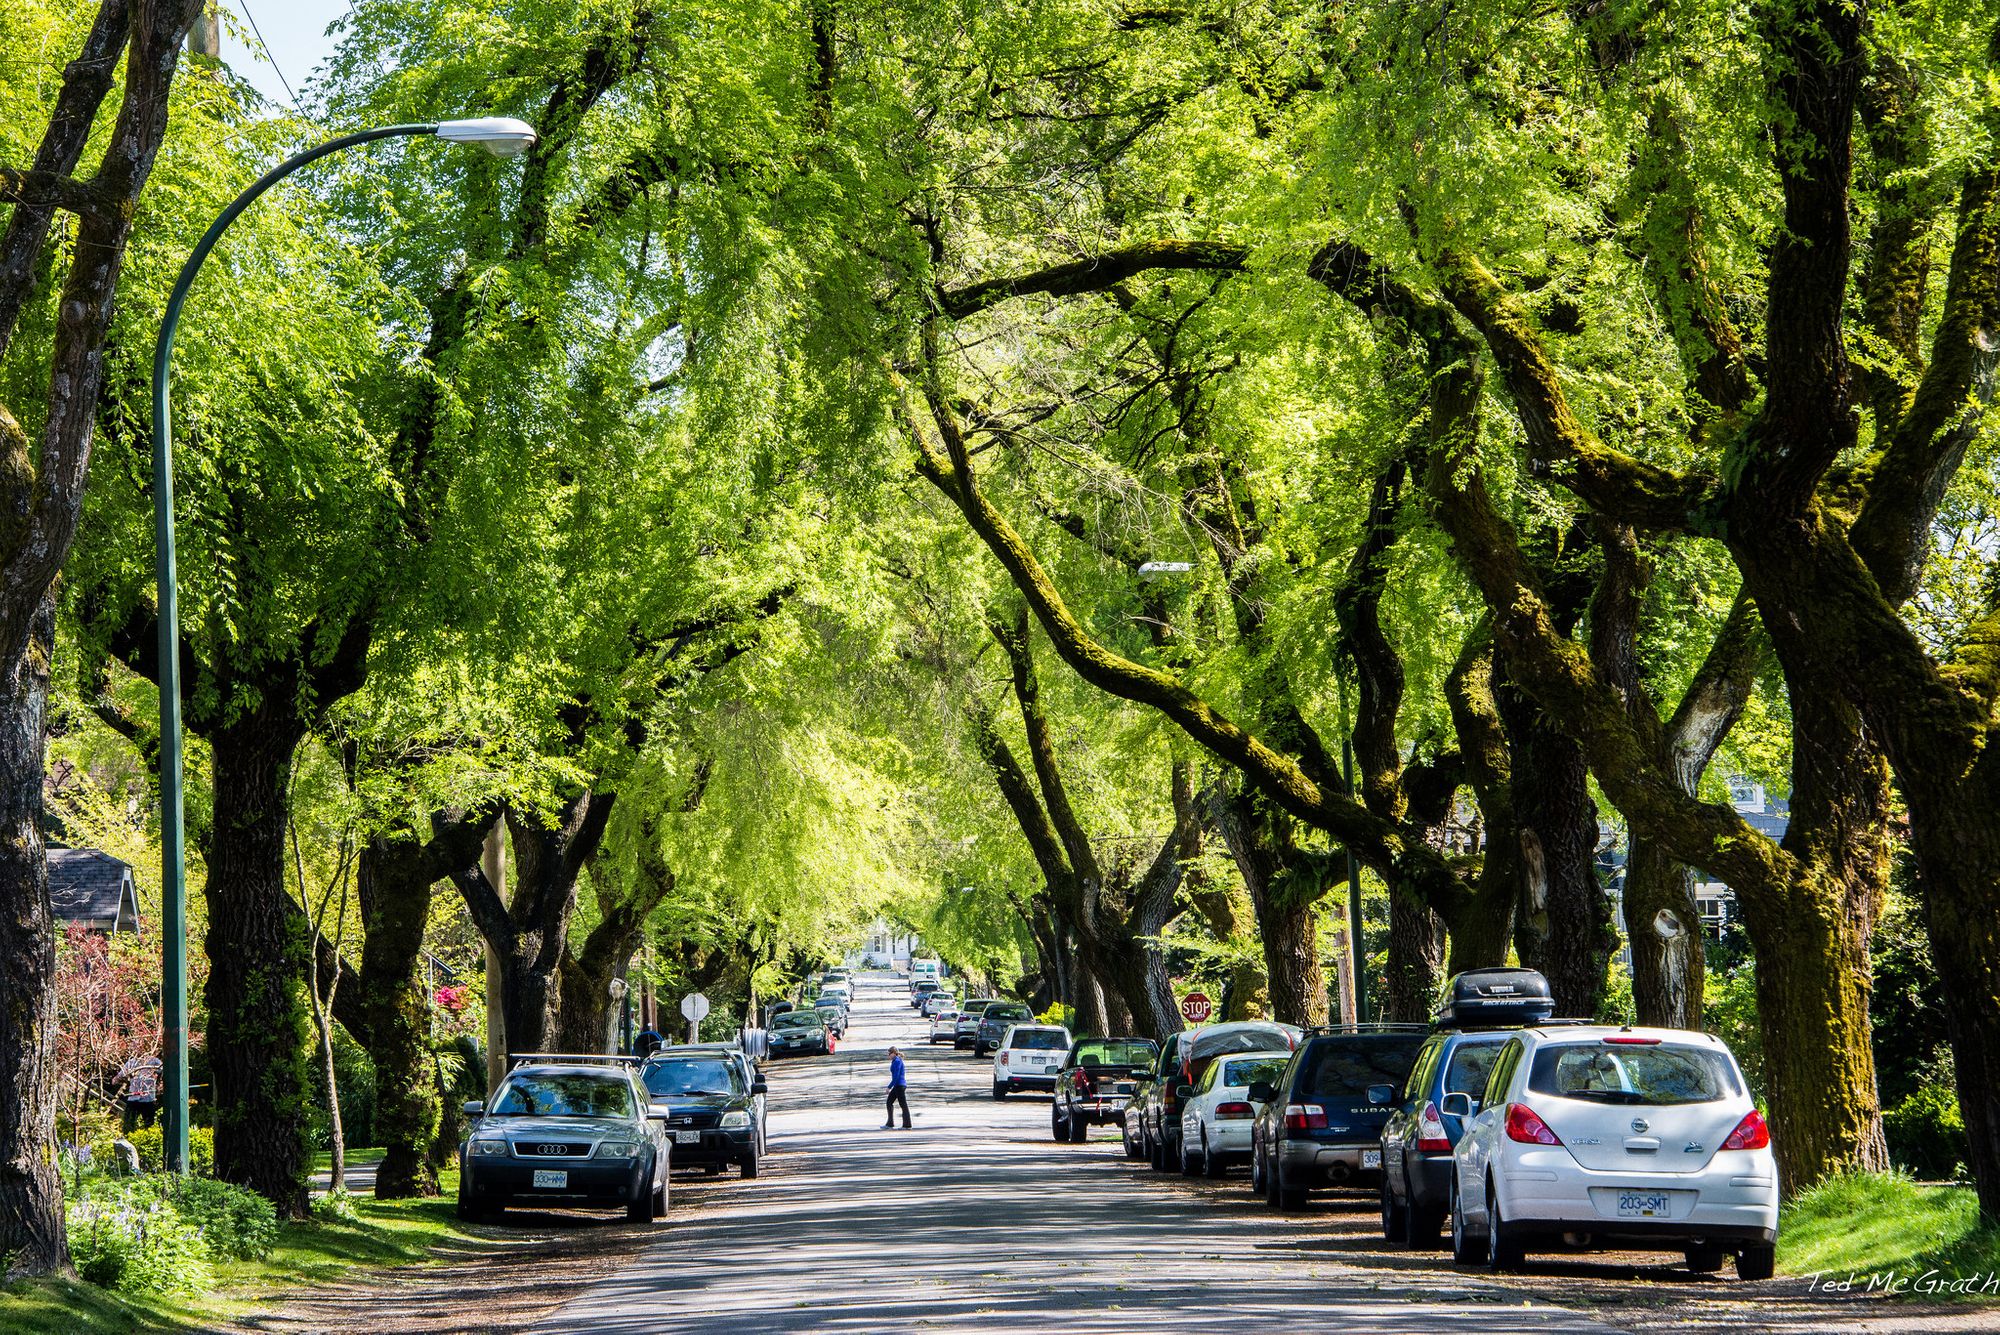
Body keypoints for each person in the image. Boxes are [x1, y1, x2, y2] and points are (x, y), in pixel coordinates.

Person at [116, 1052, 163, 1132]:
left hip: (148, 1098)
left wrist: (157, 1079)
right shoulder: (132, 1062)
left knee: (149, 1125)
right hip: (133, 1097)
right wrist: (118, 1079)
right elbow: (121, 1075)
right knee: (129, 1124)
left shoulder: (156, 1062)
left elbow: (162, 1072)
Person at [882, 1045, 910, 1130]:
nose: (888, 1055)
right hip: (897, 1085)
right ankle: (890, 1123)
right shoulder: (895, 1061)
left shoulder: (897, 1061)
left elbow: (896, 1076)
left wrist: (889, 1087)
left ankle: (907, 1125)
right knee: (889, 1102)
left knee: (903, 1105)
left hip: (900, 1085)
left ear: (894, 1053)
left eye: (889, 1053)